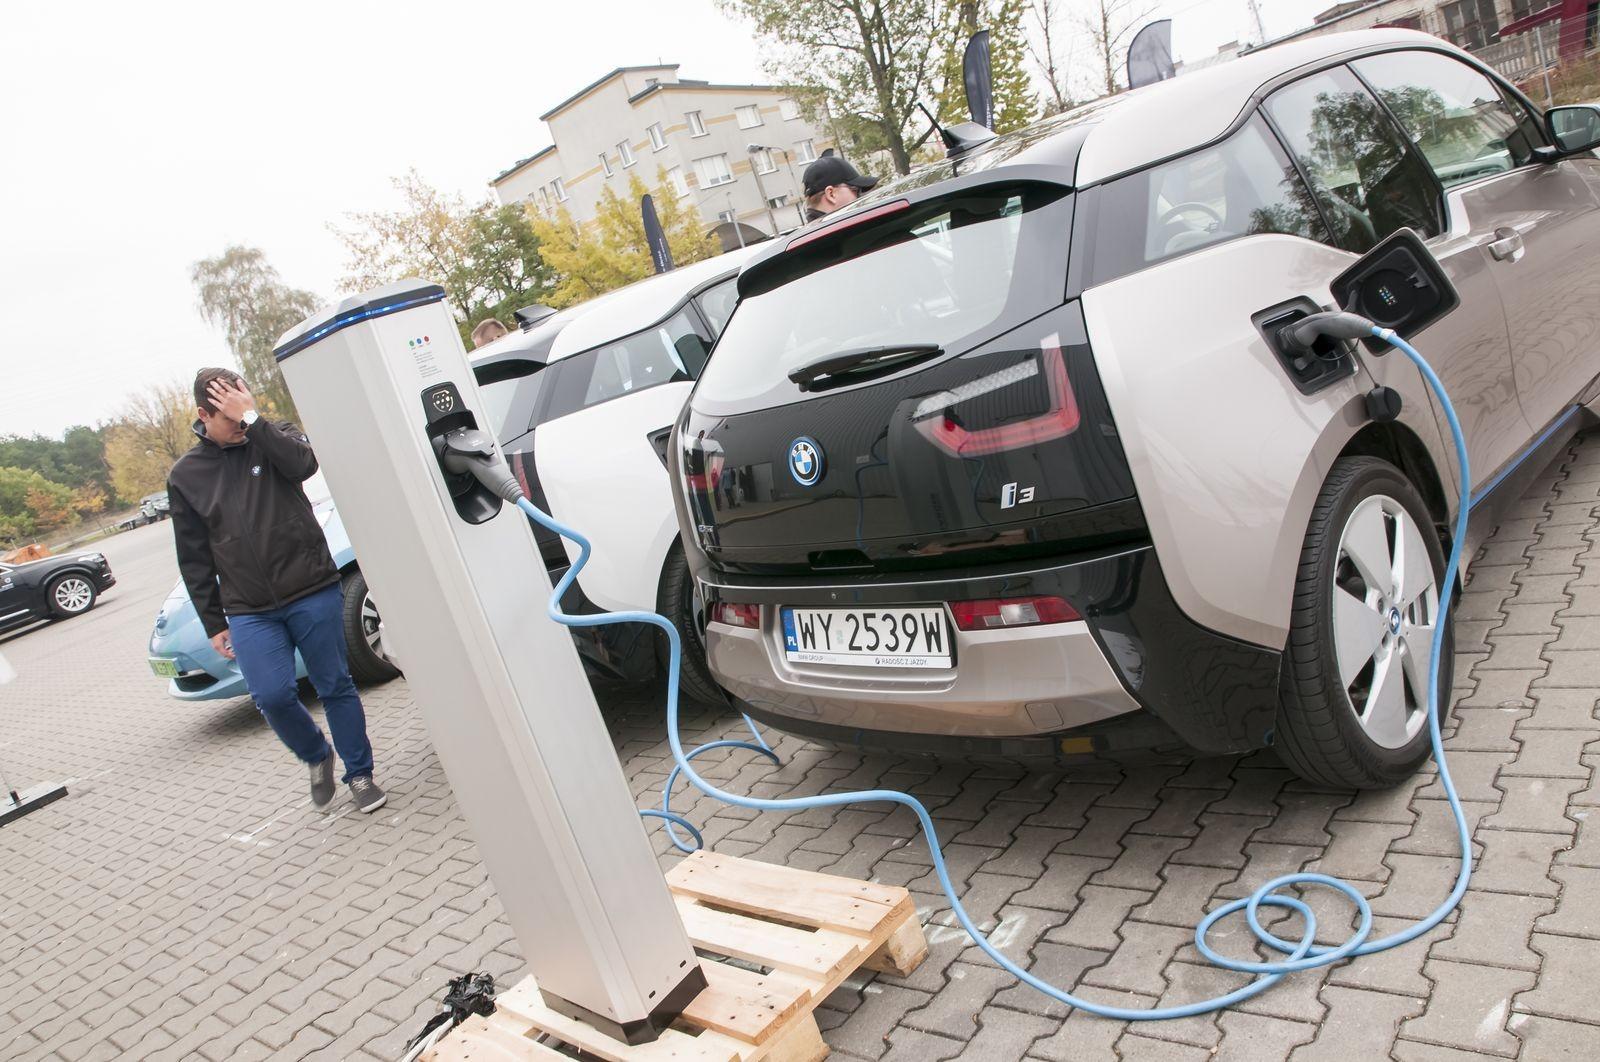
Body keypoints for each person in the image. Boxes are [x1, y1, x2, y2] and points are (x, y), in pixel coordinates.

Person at [167, 368, 386, 813]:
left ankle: (360, 774)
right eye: (228, 417)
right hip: (249, 609)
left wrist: (252, 420)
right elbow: (193, 557)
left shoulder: (273, 436)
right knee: (270, 696)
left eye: (242, 410)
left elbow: (304, 465)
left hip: (311, 588)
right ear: (203, 416)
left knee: (334, 685)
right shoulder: (186, 475)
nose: (238, 424)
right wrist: (213, 622)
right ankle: (316, 754)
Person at [801, 154, 879, 222]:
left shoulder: (824, 230)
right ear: (831, 194)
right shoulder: (840, 231)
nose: (859, 197)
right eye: (855, 190)